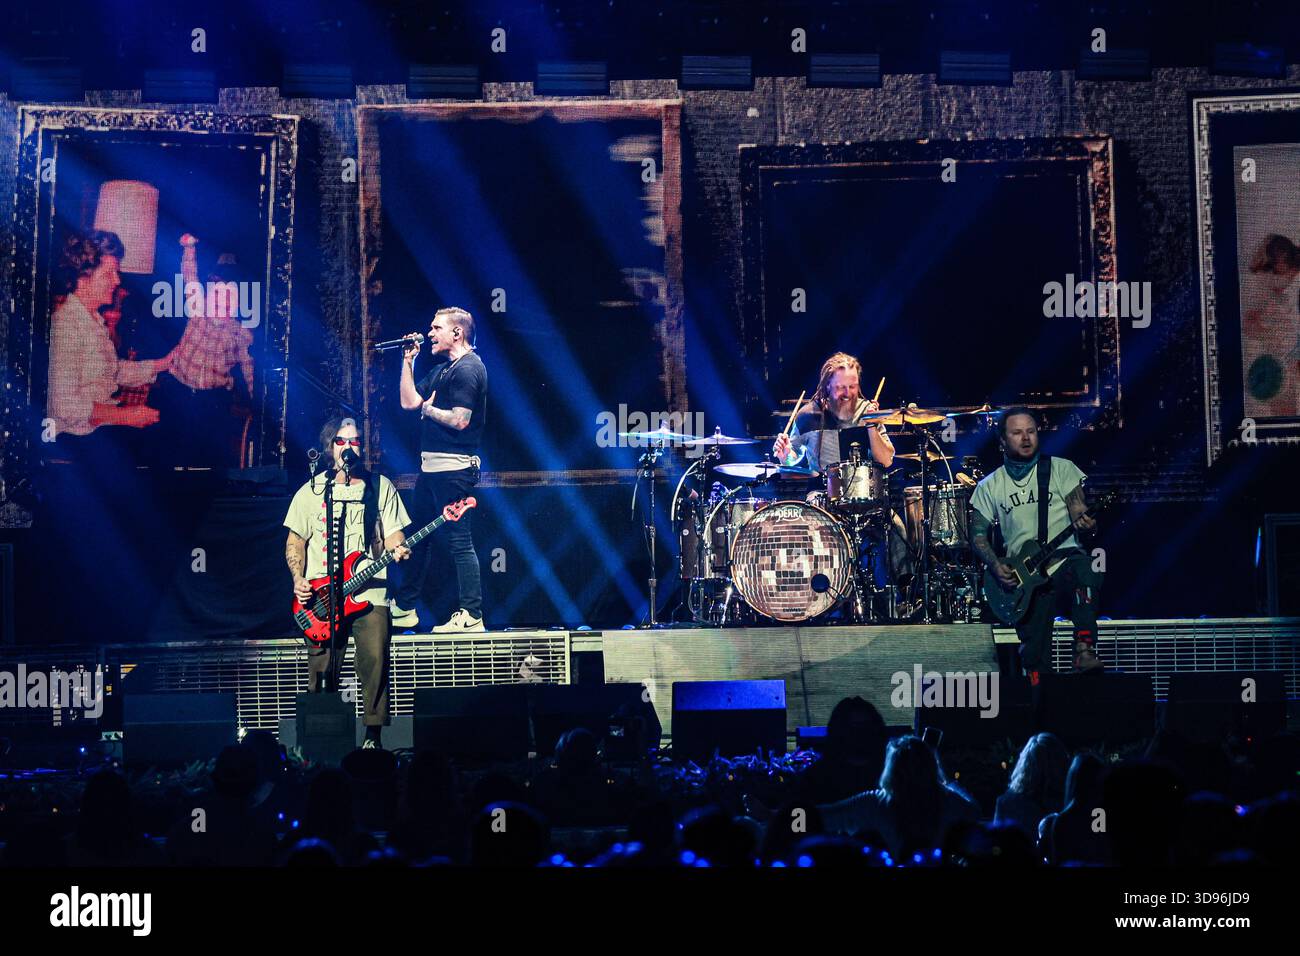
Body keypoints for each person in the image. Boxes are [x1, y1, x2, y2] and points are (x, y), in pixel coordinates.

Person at [284, 416, 411, 750]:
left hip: (371, 591)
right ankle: (319, 742)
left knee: (375, 662)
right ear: (330, 448)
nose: (349, 447)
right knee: (322, 667)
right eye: (342, 441)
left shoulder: (380, 487)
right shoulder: (310, 492)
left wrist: (398, 547)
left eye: (355, 441)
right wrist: (298, 578)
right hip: (321, 598)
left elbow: (394, 532)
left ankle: (373, 737)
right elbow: (295, 542)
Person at [969, 407, 1102, 680]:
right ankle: (1038, 707)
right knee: (1034, 658)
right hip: (1025, 576)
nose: (1026, 438)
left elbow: (1079, 510)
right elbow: (978, 535)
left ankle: (1084, 648)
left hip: (1064, 558)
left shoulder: (1061, 469)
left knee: (1085, 569)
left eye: (1031, 431)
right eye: (1017, 433)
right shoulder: (990, 486)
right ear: (1003, 441)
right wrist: (996, 566)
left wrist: (1087, 524)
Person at [392, 307, 488, 633]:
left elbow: (461, 420)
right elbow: (408, 403)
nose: (429, 333)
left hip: (454, 472)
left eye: (436, 328)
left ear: (457, 333)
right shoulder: (444, 369)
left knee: (460, 543)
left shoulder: (469, 369)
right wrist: (408, 361)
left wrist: (430, 411)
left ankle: (471, 614)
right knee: (418, 539)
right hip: (431, 472)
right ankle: (405, 607)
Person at [46, 230, 175, 451]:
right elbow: (64, 405)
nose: (117, 281)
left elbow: (111, 371)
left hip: (98, 429)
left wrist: (163, 364)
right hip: (75, 437)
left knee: (174, 422)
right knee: (168, 442)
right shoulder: (66, 324)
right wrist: (124, 416)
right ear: (83, 279)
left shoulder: (92, 319)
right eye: (109, 274)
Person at [772, 351, 894, 472]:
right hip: (821, 488)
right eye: (841, 387)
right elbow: (792, 458)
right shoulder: (807, 415)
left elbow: (886, 461)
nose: (847, 394)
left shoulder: (867, 411)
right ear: (828, 385)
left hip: (864, 489)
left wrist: (871, 424)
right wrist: (785, 456)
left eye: (852, 387)